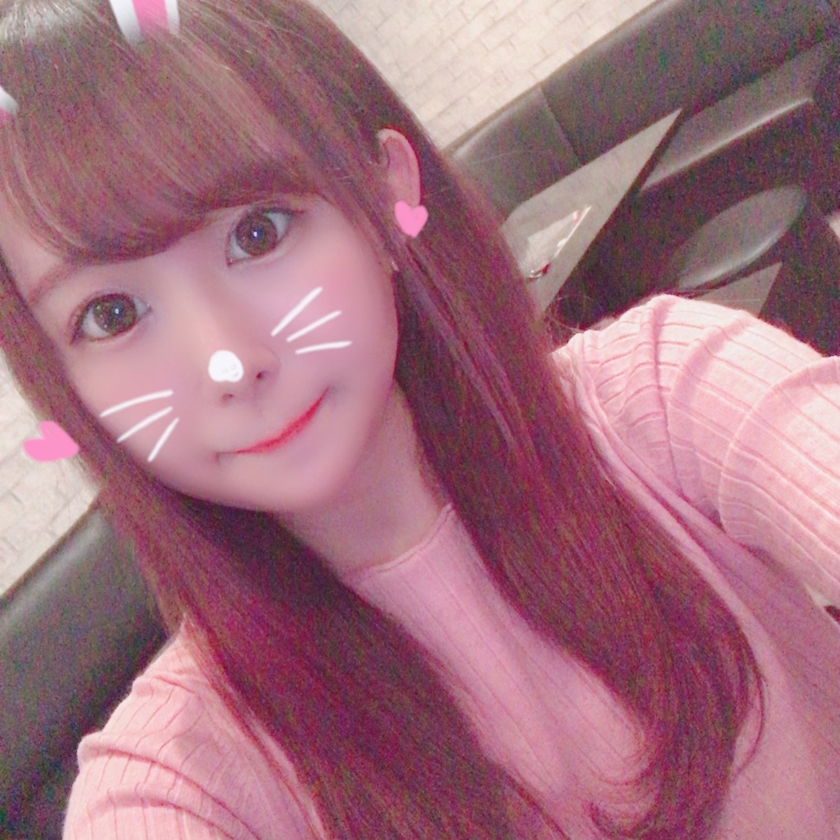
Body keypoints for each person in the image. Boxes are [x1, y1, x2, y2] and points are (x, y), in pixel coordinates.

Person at [0, 0, 838, 837]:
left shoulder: (667, 393)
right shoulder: (177, 779)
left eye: (258, 233)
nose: (228, 359)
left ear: (383, 195)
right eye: (111, 315)